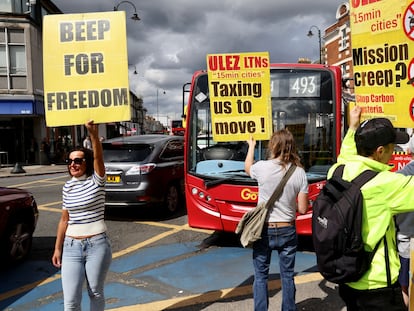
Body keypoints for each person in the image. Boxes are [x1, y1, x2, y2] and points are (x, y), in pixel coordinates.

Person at [333, 106, 414, 310]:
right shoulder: (386, 184)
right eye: (392, 146)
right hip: (378, 286)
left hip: (348, 278)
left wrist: (352, 128)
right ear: (379, 151)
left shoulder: (339, 171)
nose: (394, 150)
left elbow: (345, 154)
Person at [244, 129, 309, 311]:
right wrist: (289, 204)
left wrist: (251, 146)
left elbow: (248, 166)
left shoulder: (262, 167)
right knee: (287, 276)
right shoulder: (299, 172)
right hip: (287, 229)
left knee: (261, 276)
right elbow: (303, 208)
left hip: (264, 229)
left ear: (273, 145)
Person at [52, 120, 112, 311]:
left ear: (86, 162)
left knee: (95, 292)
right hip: (71, 247)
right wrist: (57, 249)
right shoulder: (67, 187)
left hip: (97, 245)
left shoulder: (97, 181)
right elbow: (64, 220)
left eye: (78, 160)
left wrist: (94, 136)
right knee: (70, 302)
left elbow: (98, 159)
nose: (73, 164)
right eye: (69, 161)